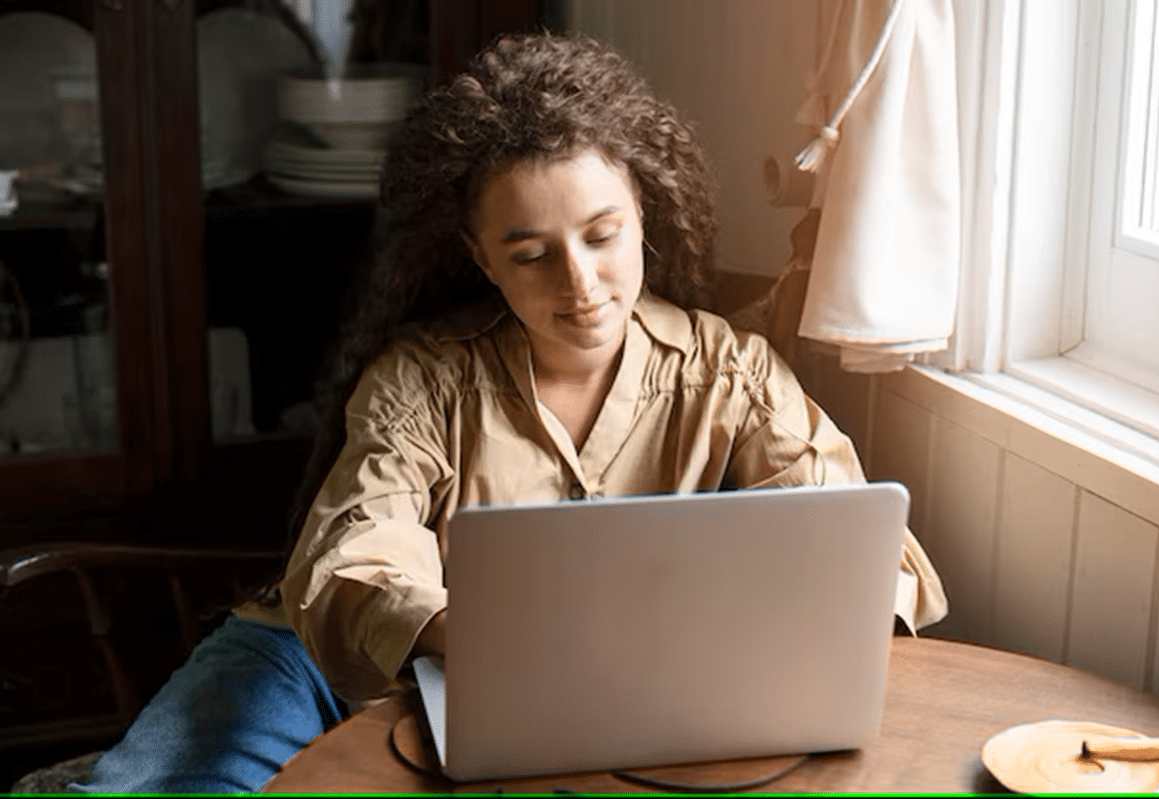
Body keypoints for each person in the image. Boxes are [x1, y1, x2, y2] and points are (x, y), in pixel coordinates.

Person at [76, 31, 947, 793]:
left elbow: (863, 543)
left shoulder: (730, 371)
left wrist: (795, 617)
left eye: (602, 236)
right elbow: (352, 554)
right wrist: (482, 634)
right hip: (311, 654)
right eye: (530, 254)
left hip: (607, 697)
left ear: (641, 210)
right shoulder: (422, 377)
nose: (580, 285)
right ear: (479, 257)